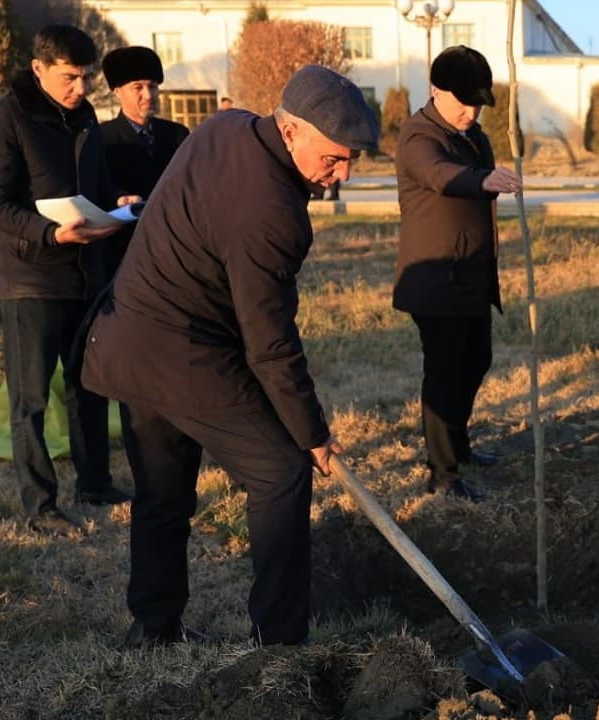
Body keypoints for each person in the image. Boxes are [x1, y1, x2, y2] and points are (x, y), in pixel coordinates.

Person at [80, 65, 377, 648]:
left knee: (163, 493)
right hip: (179, 347)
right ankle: (281, 646)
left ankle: (155, 627)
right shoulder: (273, 211)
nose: (340, 175)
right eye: (335, 158)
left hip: (129, 331)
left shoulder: (224, 127)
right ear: (290, 131)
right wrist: (311, 433)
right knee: (281, 472)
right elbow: (269, 341)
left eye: (352, 161)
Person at [0, 25, 136, 536]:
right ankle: (40, 506)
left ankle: (95, 483)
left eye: (86, 77)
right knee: (32, 398)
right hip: (31, 280)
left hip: (88, 276)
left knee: (90, 386)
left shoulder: (85, 116)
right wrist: (49, 233)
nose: (81, 89)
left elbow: (98, 185)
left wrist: (117, 206)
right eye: (70, 77)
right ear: (38, 68)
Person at [392, 45, 521, 502]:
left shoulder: (474, 135)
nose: (470, 112)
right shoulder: (419, 136)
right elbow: (438, 173)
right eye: (462, 102)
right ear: (435, 90)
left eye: (477, 103)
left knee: (476, 362)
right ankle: (442, 475)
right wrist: (483, 180)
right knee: (445, 376)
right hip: (436, 283)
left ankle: (460, 448)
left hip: (471, 278)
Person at [96, 46, 190, 291]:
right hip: (122, 255)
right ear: (117, 91)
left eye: (153, 86)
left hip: (172, 250)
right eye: (137, 87)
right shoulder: (101, 139)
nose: (148, 95)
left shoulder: (177, 135)